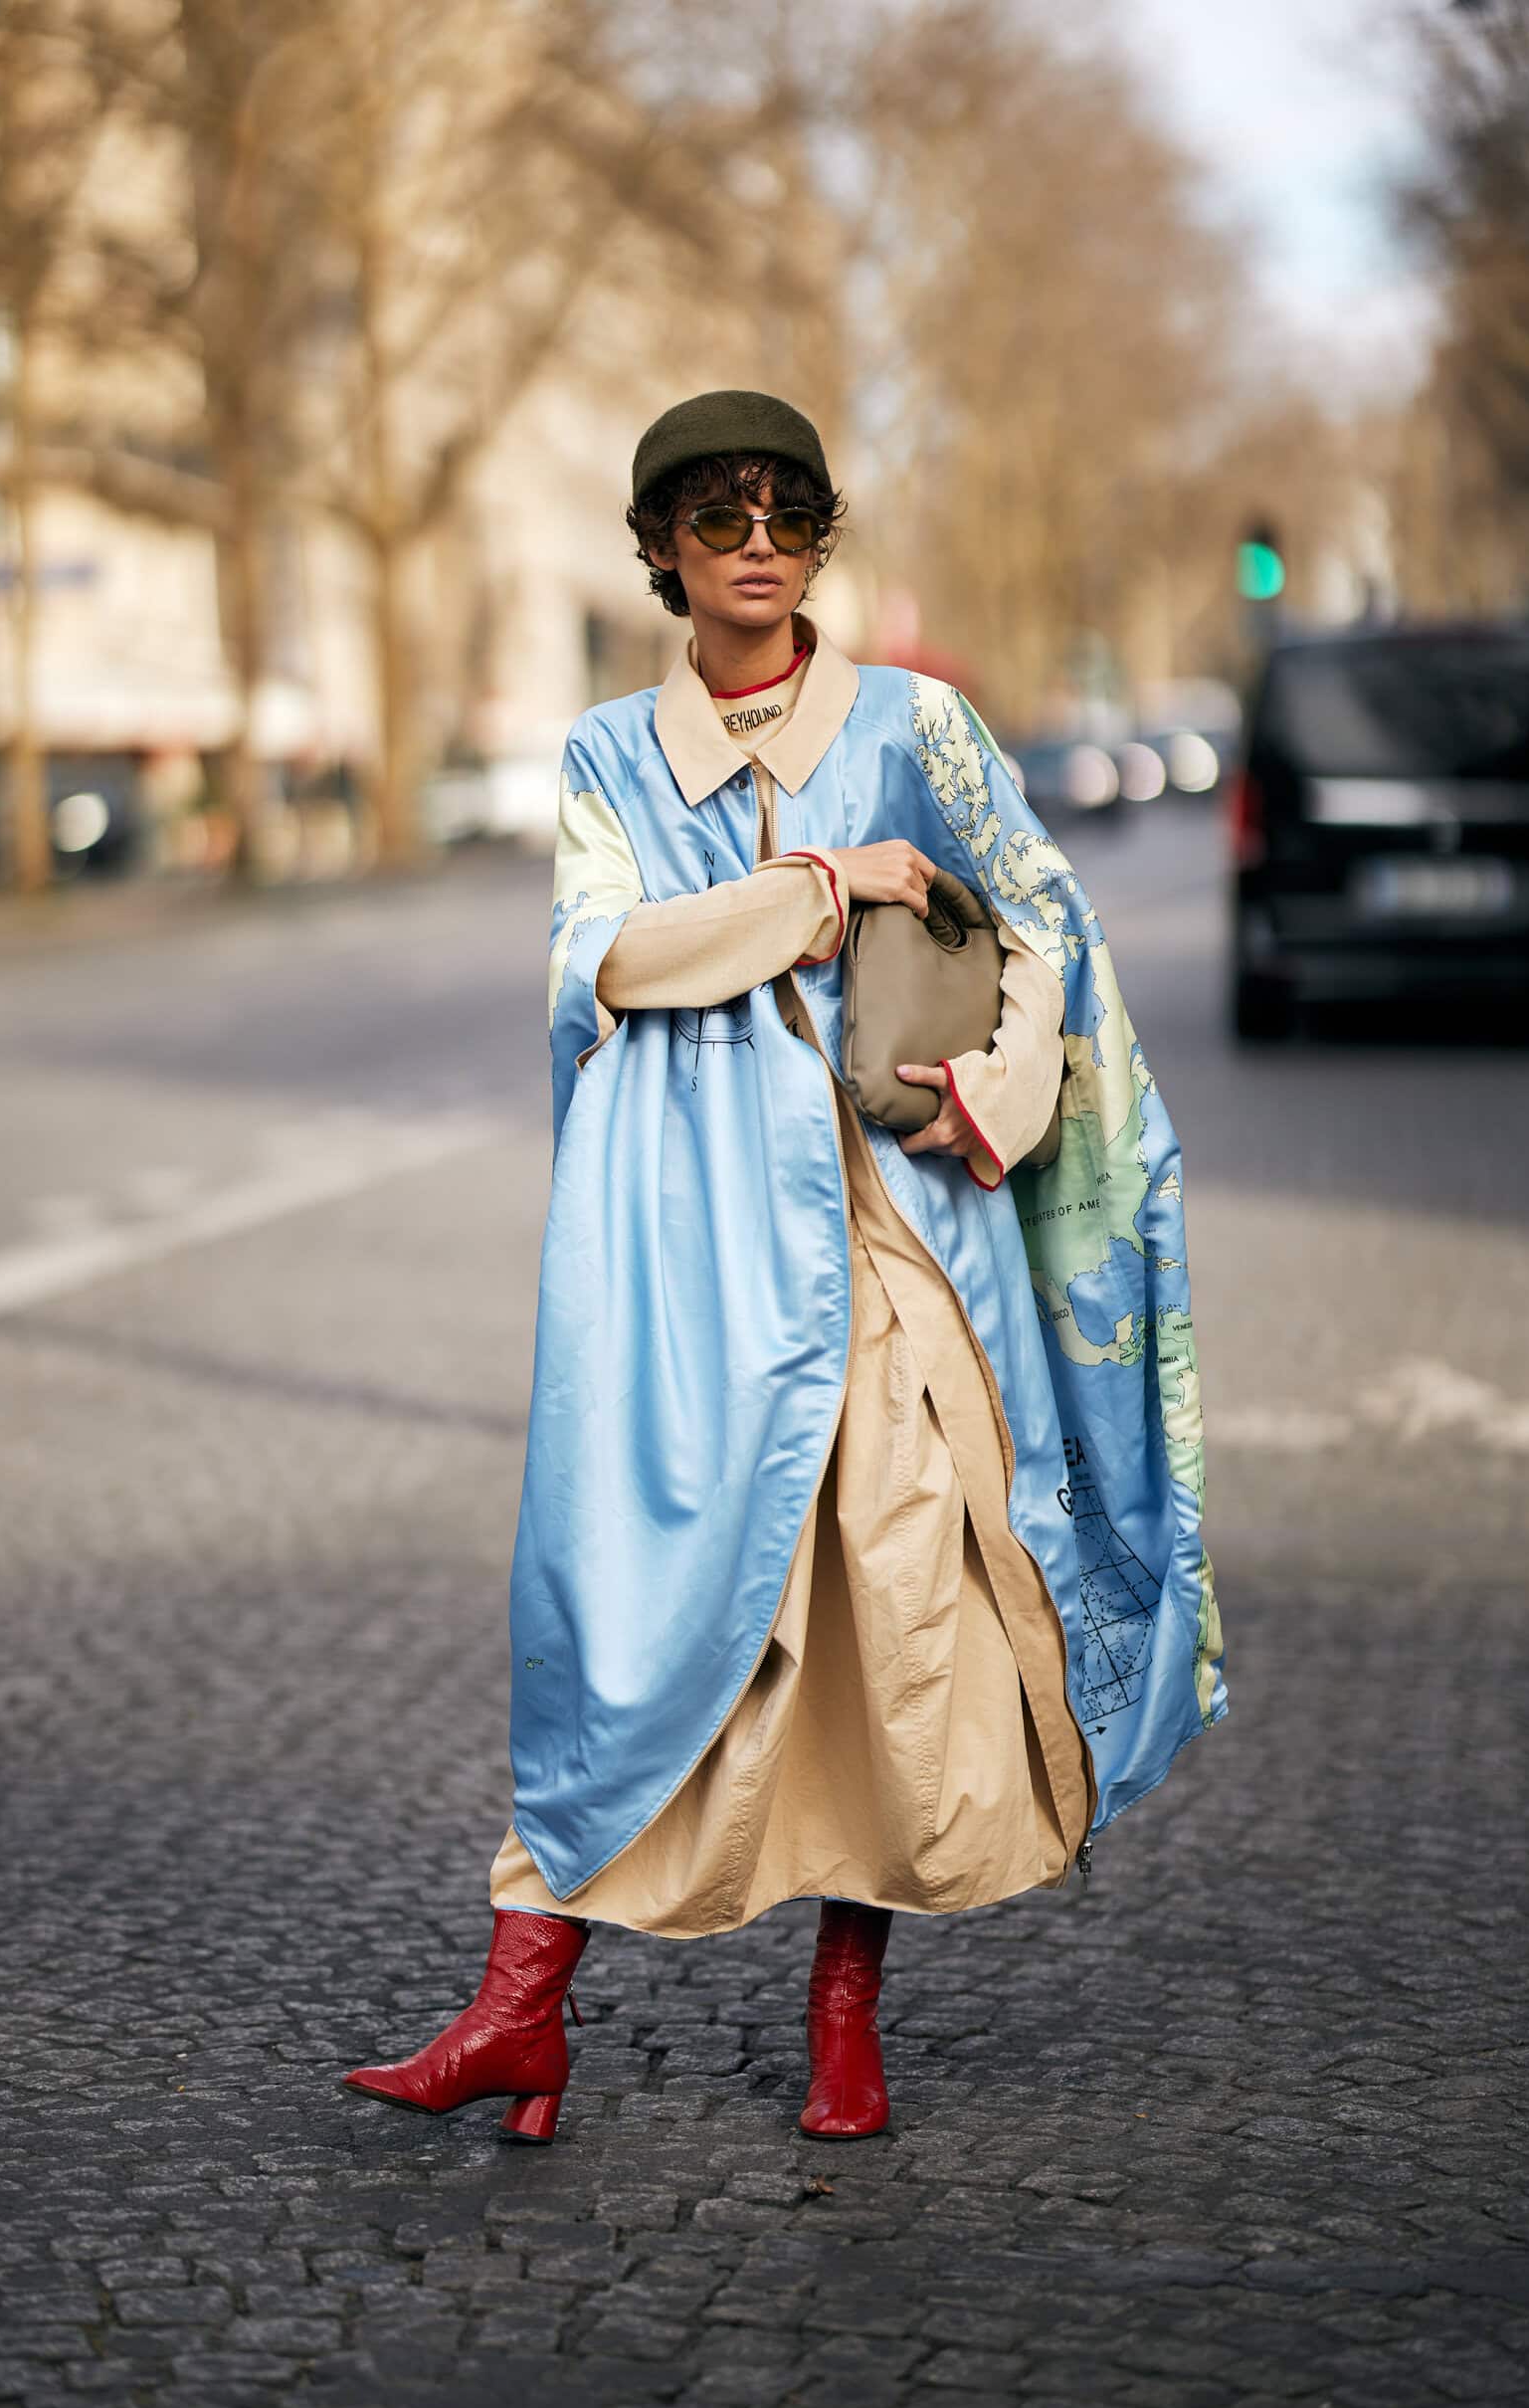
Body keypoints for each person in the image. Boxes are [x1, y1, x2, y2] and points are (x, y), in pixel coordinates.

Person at [343, 390, 1225, 2145]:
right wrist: (822, 892)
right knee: (622, 1595)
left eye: (786, 517)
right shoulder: (607, 754)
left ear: (819, 537)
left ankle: (845, 2016)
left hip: (904, 1248)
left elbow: (1039, 925)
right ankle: (522, 2008)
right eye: (717, 518)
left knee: (885, 1612)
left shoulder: (920, 723)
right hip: (682, 1260)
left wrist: (998, 1087)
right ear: (662, 548)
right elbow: (600, 963)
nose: (756, 549)